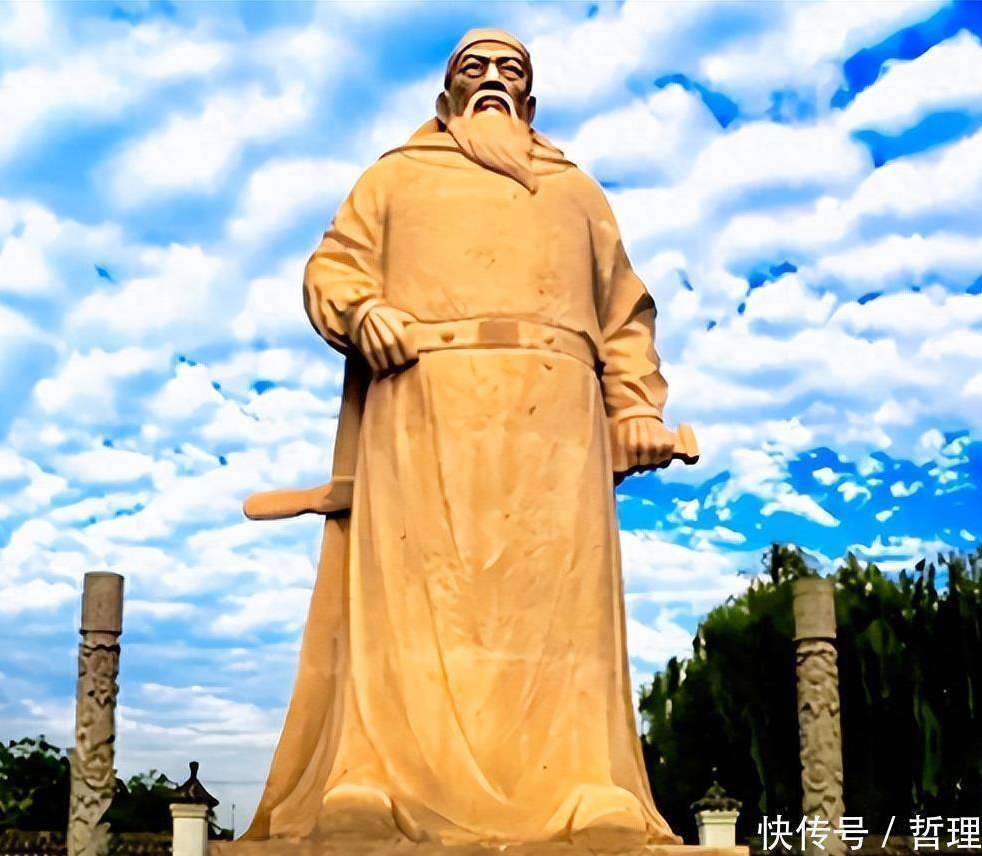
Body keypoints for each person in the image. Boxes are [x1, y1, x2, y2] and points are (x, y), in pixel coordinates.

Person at [245, 28, 694, 849]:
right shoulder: (394, 177)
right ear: (447, 95)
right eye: (474, 68)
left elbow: (624, 315)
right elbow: (330, 268)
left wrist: (634, 408)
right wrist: (361, 310)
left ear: (530, 99)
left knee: (560, 601)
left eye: (509, 70)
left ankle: (585, 786)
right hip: (422, 403)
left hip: (556, 422)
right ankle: (376, 779)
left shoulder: (578, 194)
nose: (492, 79)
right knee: (410, 594)